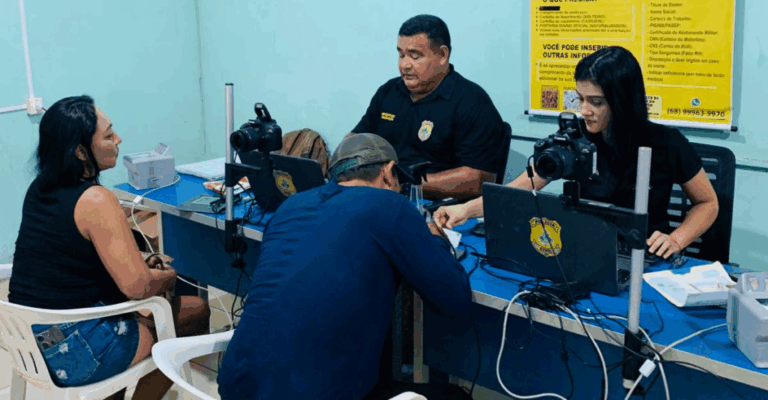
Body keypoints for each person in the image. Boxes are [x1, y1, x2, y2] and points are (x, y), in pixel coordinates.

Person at [217, 133, 472, 400]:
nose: (399, 188)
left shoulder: (291, 205)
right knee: (456, 396)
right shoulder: (392, 205)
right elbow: (455, 299)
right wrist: (436, 238)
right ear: (387, 173)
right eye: (398, 180)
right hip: (310, 394)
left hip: (236, 385)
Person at [8, 95, 210, 399]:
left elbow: (71, 258)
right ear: (80, 151)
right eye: (108, 135)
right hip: (72, 350)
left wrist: (138, 262)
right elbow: (138, 287)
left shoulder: (39, 189)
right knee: (194, 311)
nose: (118, 139)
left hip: (28, 339)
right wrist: (168, 276)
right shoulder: (96, 200)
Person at [434, 46, 719, 259]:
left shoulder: (666, 143)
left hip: (643, 257)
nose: (584, 110)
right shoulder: (573, 138)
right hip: (585, 251)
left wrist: (677, 240)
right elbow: (516, 190)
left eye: (596, 102)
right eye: (580, 99)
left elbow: (707, 203)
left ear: (622, 102)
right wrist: (465, 210)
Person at [351, 14, 506, 200]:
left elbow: (478, 179)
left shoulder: (472, 101)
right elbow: (356, 140)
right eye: (401, 55)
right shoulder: (389, 91)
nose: (404, 65)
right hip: (380, 194)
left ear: (442, 55)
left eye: (414, 56)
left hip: (436, 206)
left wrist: (403, 184)